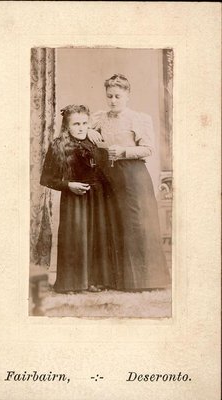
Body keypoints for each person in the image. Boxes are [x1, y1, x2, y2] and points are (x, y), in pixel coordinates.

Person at [89, 74, 170, 291]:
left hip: (134, 177)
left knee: (136, 226)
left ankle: (144, 281)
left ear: (127, 96)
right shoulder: (98, 118)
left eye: (117, 96)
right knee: (113, 224)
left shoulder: (139, 118)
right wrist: (89, 131)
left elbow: (148, 149)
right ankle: (115, 280)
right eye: (109, 96)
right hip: (108, 178)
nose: (113, 100)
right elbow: (81, 132)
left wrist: (124, 150)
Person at [40, 105, 115, 293]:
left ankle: (92, 281)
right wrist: (69, 186)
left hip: (97, 198)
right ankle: (71, 284)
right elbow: (47, 179)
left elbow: (104, 169)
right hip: (74, 198)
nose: (81, 128)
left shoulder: (93, 142)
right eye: (76, 124)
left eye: (84, 123)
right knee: (75, 239)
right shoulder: (58, 145)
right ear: (67, 126)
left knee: (96, 238)